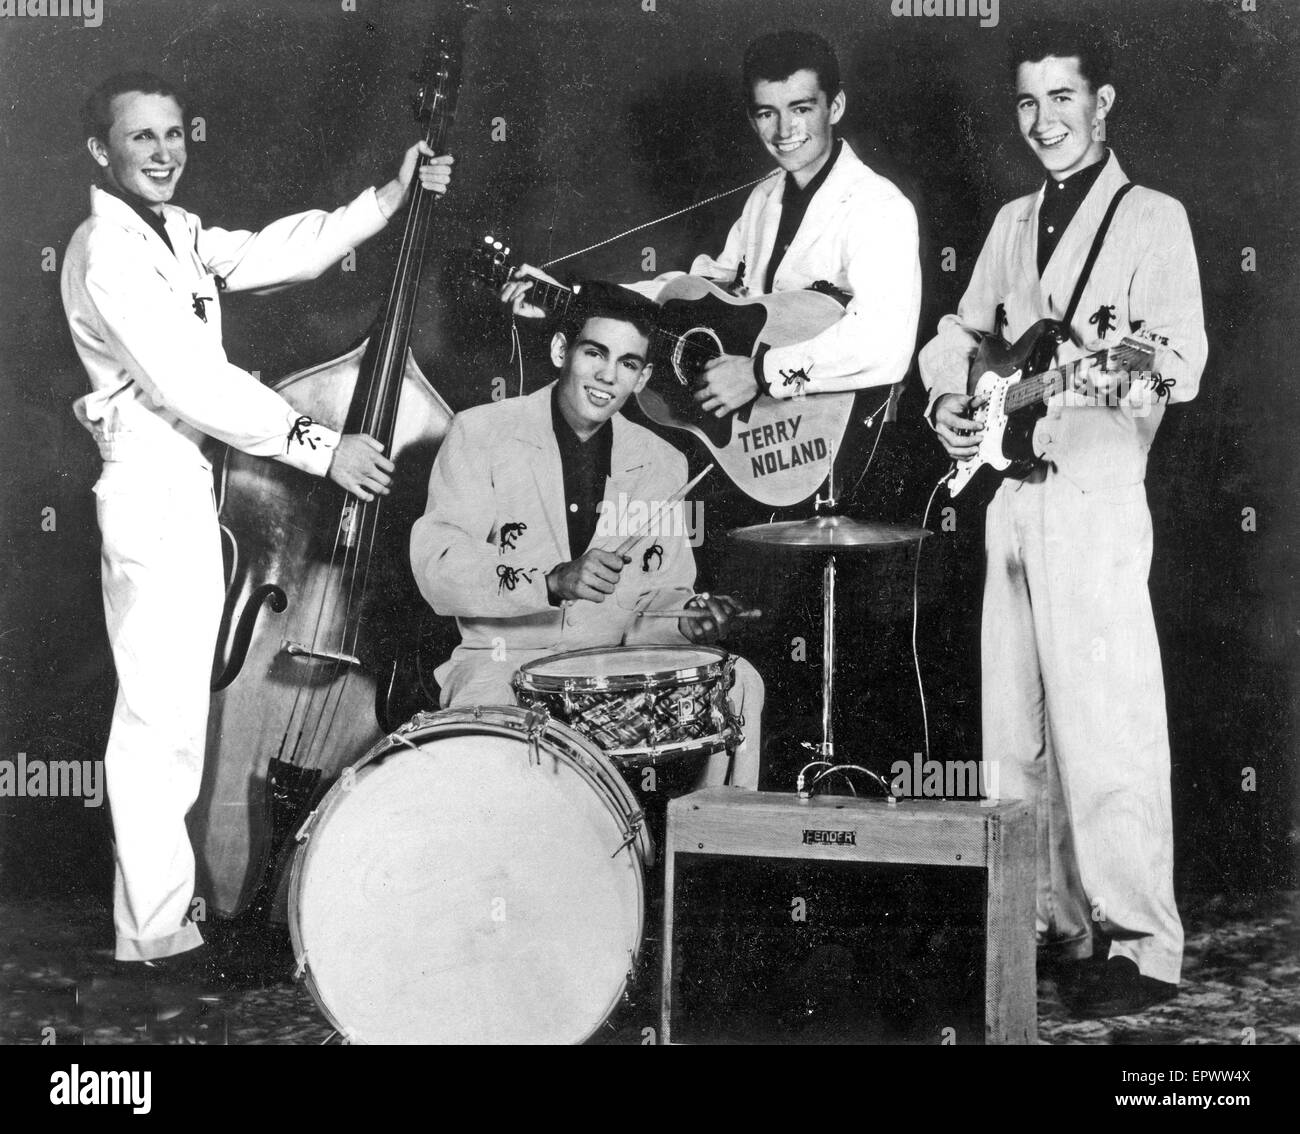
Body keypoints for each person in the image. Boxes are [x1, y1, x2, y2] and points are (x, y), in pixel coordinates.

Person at [61, 71, 454, 987]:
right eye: (141, 137)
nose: (164, 152)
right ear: (99, 152)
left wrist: (386, 200)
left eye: (172, 134)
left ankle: (162, 930)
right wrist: (320, 446)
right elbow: (193, 382)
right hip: (150, 485)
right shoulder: (105, 248)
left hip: (186, 482)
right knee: (158, 721)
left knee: (176, 719)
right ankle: (154, 939)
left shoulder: (174, 229)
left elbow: (277, 253)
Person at [918, 22, 1207, 1017]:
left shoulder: (1153, 218)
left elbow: (1178, 363)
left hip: (1093, 494)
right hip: (1009, 498)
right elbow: (961, 333)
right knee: (1012, 734)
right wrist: (948, 397)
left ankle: (1139, 946)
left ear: (1103, 102)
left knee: (1107, 724)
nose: (1044, 121)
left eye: (1063, 98)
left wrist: (1108, 374)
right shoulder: (1010, 222)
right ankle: (1049, 927)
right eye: (1028, 101)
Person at [410, 283, 764, 789]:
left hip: (612, 666)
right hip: (503, 665)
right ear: (562, 350)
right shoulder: (480, 432)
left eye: (627, 363)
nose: (607, 376)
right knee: (492, 760)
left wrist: (688, 620)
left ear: (642, 378)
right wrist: (551, 581)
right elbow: (439, 563)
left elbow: (656, 600)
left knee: (739, 682)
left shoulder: (663, 461)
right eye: (595, 353)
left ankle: (709, 837)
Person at [501, 29, 921, 418]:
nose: (784, 130)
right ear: (752, 118)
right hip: (765, 430)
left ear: (835, 107)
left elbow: (885, 342)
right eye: (767, 113)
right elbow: (694, 292)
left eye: (801, 109)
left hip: (838, 430)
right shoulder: (765, 197)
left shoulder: (879, 207)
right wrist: (570, 297)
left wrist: (757, 373)